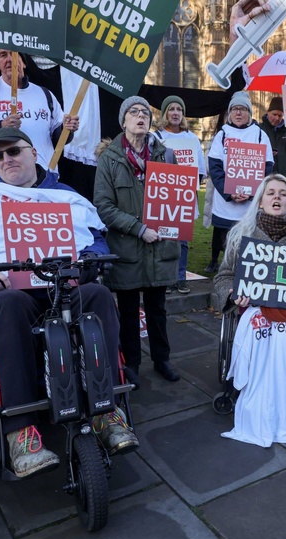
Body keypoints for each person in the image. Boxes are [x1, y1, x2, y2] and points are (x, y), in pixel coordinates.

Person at [0, 128, 138, 479]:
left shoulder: (64, 195)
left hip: (64, 288)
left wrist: (88, 260)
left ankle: (106, 411)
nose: (6, 159)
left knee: (100, 295)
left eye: (13, 151)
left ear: (34, 154)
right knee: (9, 303)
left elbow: (97, 242)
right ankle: (20, 432)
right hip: (11, 293)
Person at [213, 174, 286, 447]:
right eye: (271, 193)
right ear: (261, 202)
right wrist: (231, 294)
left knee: (283, 332)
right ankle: (255, 402)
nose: (277, 197)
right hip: (252, 309)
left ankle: (283, 402)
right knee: (259, 330)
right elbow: (223, 277)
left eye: (283, 193)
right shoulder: (242, 236)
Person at [93, 96, 182, 384]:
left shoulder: (166, 155)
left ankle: (162, 359)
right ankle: (130, 363)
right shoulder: (109, 159)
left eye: (145, 112)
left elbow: (178, 198)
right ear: (123, 120)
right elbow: (104, 206)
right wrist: (138, 227)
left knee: (157, 309)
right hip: (128, 247)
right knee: (129, 311)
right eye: (134, 112)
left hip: (159, 249)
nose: (141, 116)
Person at [0, 48, 79, 173]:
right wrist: (1, 126)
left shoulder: (45, 94)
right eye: (3, 55)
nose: (9, 59)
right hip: (4, 180)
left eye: (14, 54)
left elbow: (57, 137)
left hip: (44, 179)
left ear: (23, 62)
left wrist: (66, 129)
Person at [205, 91, 273, 273]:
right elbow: (215, 167)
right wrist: (229, 192)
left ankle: (242, 269)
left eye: (243, 109)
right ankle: (220, 264)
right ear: (229, 112)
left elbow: (267, 167)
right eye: (235, 109)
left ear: (249, 113)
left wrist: (252, 192)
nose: (238, 113)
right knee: (222, 235)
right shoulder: (222, 134)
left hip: (249, 203)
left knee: (246, 237)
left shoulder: (259, 135)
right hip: (225, 200)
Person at [153, 95, 206, 295]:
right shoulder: (156, 138)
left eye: (179, 109)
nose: (175, 113)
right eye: (172, 109)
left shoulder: (191, 139)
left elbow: (199, 170)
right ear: (165, 112)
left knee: (182, 240)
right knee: (163, 240)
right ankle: (165, 278)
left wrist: (190, 187)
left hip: (185, 196)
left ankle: (181, 277)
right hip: (163, 196)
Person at [258, 96, 286, 182]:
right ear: (268, 112)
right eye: (274, 114)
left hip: (284, 177)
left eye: (280, 115)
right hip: (264, 177)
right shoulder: (259, 129)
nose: (277, 118)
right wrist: (266, 153)